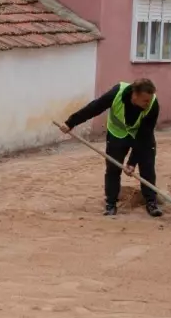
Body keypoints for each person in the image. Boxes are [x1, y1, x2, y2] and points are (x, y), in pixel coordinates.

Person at [60, 78, 163, 218]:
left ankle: (151, 202)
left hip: (140, 136)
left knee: (147, 166)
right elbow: (94, 108)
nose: (148, 103)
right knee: (113, 168)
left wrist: (132, 163)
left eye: (149, 100)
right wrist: (70, 123)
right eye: (145, 100)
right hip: (117, 134)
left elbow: (144, 136)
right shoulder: (117, 93)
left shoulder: (153, 105)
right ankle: (111, 204)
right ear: (135, 95)